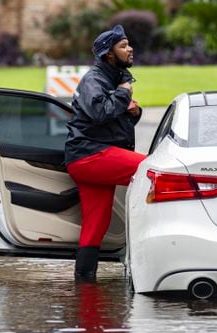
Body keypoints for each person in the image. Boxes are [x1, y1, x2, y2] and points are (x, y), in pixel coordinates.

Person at [65, 25, 146, 279]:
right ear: (108, 55)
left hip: (93, 155)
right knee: (151, 169)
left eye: (128, 43)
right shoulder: (94, 79)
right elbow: (99, 112)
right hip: (89, 155)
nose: (129, 48)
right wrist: (123, 94)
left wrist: (134, 112)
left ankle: (85, 286)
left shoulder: (113, 77)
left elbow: (110, 123)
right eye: (123, 46)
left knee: (95, 225)